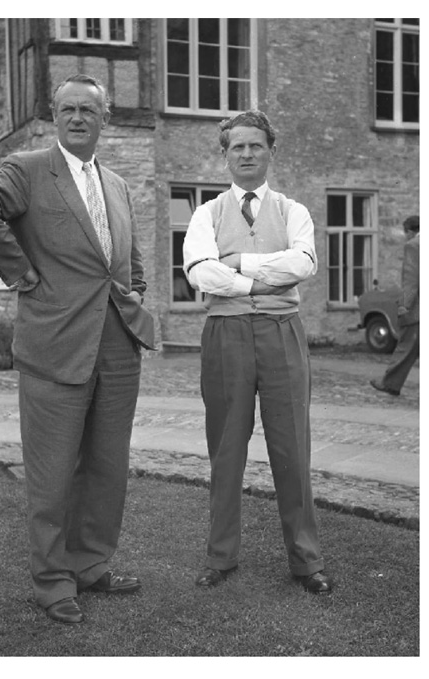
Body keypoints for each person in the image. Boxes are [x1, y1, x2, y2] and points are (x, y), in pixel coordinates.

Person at [0, 74, 156, 625]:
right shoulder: (29, 168)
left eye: (88, 109)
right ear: (54, 116)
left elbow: (124, 255)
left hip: (117, 343)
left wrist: (138, 290)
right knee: (52, 472)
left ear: (105, 118)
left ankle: (90, 566)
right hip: (55, 342)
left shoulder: (118, 184)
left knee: (107, 466)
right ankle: (52, 582)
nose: (77, 117)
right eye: (67, 109)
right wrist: (23, 276)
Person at [182, 110, 333, 594]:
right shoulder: (207, 213)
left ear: (271, 150)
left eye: (255, 146)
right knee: (226, 447)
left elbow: (304, 262)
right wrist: (257, 280)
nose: (246, 154)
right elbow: (201, 272)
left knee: (291, 447)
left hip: (281, 331)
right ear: (224, 155)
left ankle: (306, 561)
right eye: (237, 147)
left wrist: (239, 264)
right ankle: (220, 556)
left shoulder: (293, 210)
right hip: (225, 335)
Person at [371, 215, 419, 396]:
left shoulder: (414, 245)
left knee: (405, 347)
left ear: (409, 231)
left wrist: (404, 306)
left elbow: (411, 279)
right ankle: (391, 383)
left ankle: (390, 384)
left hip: (418, 310)